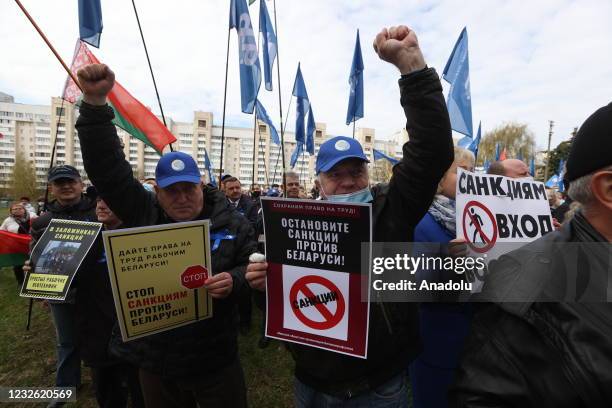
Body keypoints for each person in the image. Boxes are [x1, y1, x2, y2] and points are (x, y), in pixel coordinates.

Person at [246, 24, 454, 406]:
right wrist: (263, 286)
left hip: (377, 385)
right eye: (335, 175)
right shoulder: (290, 225)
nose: (346, 182)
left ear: (367, 174)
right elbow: (286, 302)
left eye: (354, 172)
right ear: (319, 182)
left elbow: (432, 153)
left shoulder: (389, 210)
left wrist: (412, 69)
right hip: (311, 381)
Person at [75, 62, 257, 408]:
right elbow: (108, 170)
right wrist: (96, 105)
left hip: (215, 358)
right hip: (156, 359)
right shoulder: (143, 213)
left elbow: (253, 269)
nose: (182, 197)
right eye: (172, 191)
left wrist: (234, 281)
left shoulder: (233, 223)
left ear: (202, 186)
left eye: (189, 189)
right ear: (157, 192)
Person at [450, 103, 612, 407]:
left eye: (529, 175)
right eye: (521, 177)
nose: (531, 182)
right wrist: (453, 266)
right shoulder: (519, 301)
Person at [408, 147, 474, 408]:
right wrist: (449, 262)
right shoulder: (419, 220)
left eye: (473, 172)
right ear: (439, 177)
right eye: (462, 172)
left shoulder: (481, 219)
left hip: (478, 341)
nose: (471, 178)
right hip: (437, 342)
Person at [30, 165, 97, 407]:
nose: (66, 186)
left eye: (71, 181)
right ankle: (66, 386)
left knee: (99, 337)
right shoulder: (42, 221)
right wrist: (36, 279)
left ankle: (107, 380)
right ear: (52, 188)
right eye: (60, 183)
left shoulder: (98, 213)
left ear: (81, 184)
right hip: (61, 292)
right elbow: (36, 255)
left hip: (96, 291)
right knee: (67, 341)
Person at [76, 198, 144, 408]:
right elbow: (69, 275)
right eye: (98, 200)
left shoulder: (142, 235)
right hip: (96, 327)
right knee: (106, 388)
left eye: (109, 201)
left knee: (139, 387)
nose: (101, 206)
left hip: (133, 327)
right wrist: (40, 269)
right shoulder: (84, 236)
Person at [1, 201, 36, 286]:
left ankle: (33, 282)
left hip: (32, 244)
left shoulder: (33, 216)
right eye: (14, 209)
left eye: (20, 208)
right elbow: (2, 231)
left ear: (24, 209)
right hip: (16, 246)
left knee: (33, 263)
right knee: (18, 264)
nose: (17, 210)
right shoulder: (8, 220)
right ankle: (21, 282)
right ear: (11, 211)